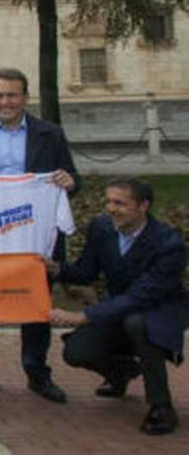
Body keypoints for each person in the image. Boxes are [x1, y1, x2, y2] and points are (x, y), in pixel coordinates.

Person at [0, 68, 77, 403]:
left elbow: (72, 178)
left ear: (25, 97)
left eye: (12, 95)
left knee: (36, 302)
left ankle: (37, 372)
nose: (5, 101)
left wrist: (68, 183)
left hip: (34, 235)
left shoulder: (50, 134)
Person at [49, 177, 189, 435]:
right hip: (118, 308)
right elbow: (86, 271)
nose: (111, 208)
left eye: (120, 203)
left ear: (143, 206)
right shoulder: (102, 228)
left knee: (137, 323)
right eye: (108, 201)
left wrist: (84, 316)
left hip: (160, 310)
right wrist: (55, 268)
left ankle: (161, 406)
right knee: (76, 352)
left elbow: (141, 296)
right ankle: (120, 372)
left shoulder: (170, 244)